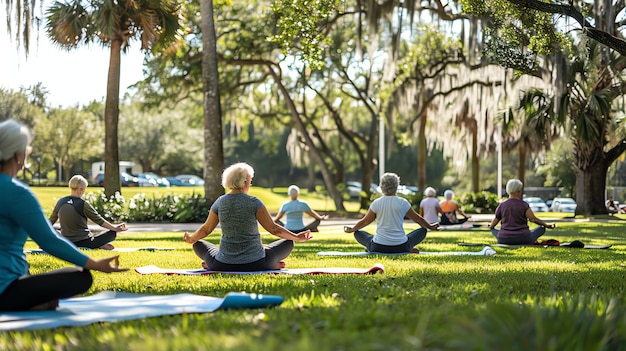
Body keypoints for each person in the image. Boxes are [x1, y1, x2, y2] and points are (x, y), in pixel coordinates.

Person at [0, 119, 127, 311]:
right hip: (6, 290)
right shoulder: (17, 193)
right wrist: (95, 264)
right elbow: (49, 241)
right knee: (81, 277)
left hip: (15, 278)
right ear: (19, 155)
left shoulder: (56, 201)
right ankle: (34, 304)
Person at [183, 163, 312, 271]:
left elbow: (206, 229)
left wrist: (191, 239)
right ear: (244, 181)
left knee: (197, 244)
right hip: (257, 263)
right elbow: (274, 229)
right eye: (250, 181)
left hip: (223, 264)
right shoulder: (254, 202)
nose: (250, 184)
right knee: (288, 242)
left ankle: (211, 264)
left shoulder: (220, 202)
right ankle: (271, 264)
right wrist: (296, 237)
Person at [343, 173, 439, 253]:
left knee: (357, 233)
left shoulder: (376, 203)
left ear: (381, 186)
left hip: (378, 247)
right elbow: (418, 219)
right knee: (423, 230)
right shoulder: (403, 203)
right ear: (396, 186)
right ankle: (408, 249)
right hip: (401, 246)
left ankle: (370, 249)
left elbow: (364, 222)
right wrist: (430, 227)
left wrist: (353, 229)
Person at [49, 175, 127, 250]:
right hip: (85, 243)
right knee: (112, 233)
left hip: (66, 242)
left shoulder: (60, 202)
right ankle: (99, 245)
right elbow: (98, 220)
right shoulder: (83, 204)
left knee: (56, 232)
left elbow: (49, 222)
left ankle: (99, 245)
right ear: (81, 189)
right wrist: (115, 228)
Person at [488, 179, 556, 245]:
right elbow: (533, 219)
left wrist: (491, 226)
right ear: (518, 190)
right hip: (523, 238)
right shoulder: (524, 205)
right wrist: (546, 225)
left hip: (503, 238)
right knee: (542, 228)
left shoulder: (502, 205)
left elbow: (495, 220)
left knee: (493, 229)